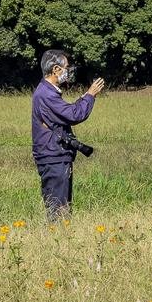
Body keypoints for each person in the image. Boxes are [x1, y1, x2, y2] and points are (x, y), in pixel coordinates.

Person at [32, 50, 104, 220]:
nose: (68, 71)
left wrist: (85, 97)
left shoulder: (46, 91)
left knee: (60, 207)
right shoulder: (47, 94)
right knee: (59, 210)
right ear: (56, 69)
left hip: (55, 156)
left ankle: (59, 237)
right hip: (54, 157)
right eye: (66, 67)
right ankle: (58, 239)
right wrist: (90, 95)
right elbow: (74, 115)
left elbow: (66, 113)